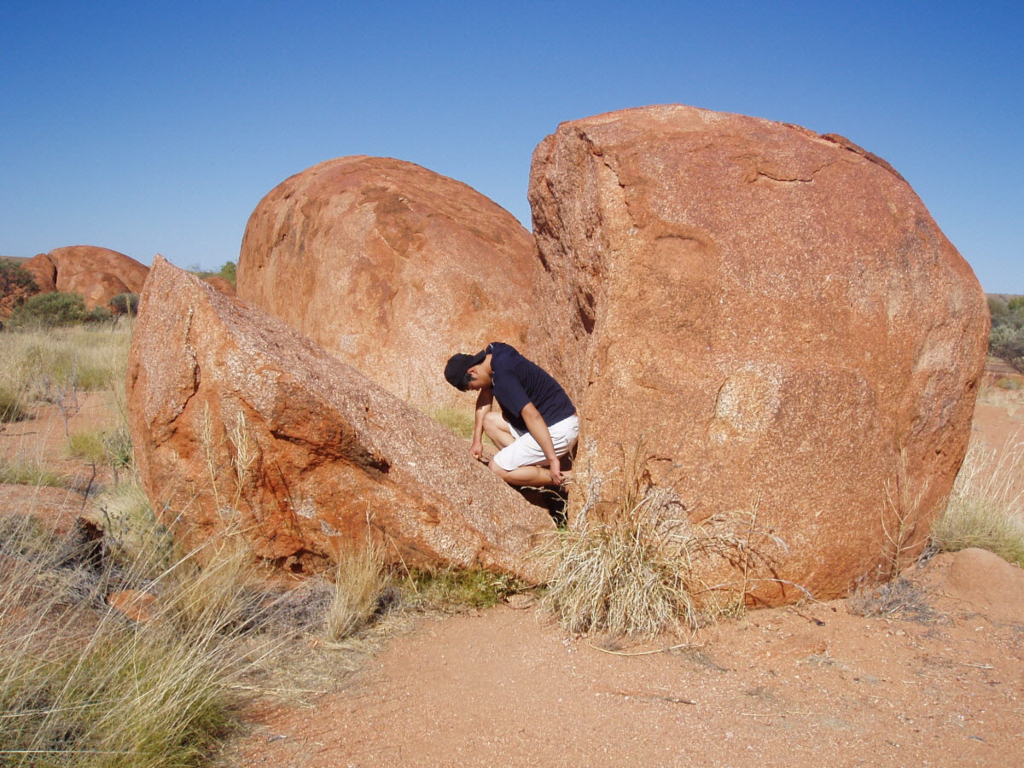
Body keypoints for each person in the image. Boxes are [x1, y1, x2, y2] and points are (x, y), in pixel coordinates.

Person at [444, 342, 578, 487]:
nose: (476, 390)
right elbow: (485, 396)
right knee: (489, 421)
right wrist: (477, 441)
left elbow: (532, 415)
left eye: (471, 387)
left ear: (472, 372)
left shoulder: (504, 378)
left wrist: (552, 460)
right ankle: (527, 467)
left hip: (558, 430)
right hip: (548, 421)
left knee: (498, 468)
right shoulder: (495, 352)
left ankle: (566, 478)